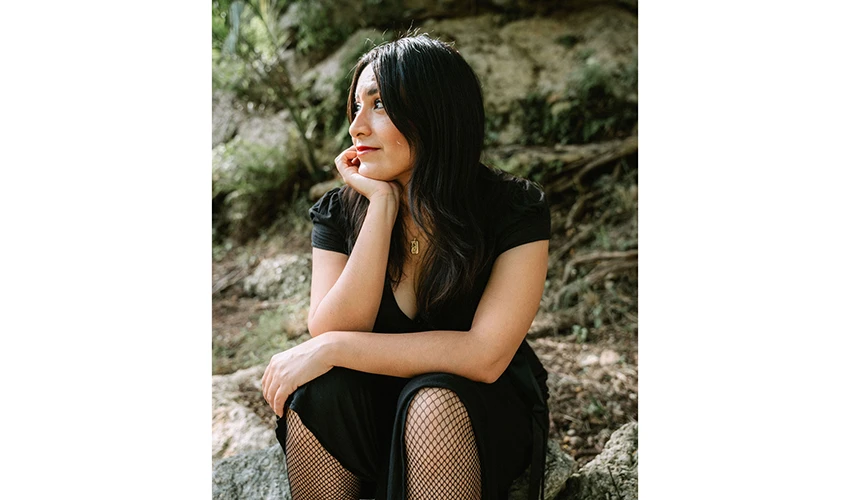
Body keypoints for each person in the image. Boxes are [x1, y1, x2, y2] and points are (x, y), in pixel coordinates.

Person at [262, 33, 551, 500]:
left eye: (379, 105)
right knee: (321, 393)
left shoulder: (513, 208)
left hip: (471, 410)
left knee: (432, 401)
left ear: (435, 111)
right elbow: (335, 325)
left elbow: (485, 355)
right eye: (355, 107)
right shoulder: (339, 211)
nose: (357, 127)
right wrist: (381, 207)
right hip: (374, 404)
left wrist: (334, 348)